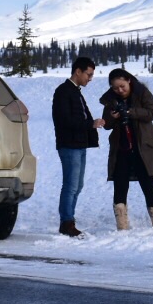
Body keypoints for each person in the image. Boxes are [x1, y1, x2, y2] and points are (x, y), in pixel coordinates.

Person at [99, 68, 153, 230]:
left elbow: (152, 113)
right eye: (115, 88)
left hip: (143, 147)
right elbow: (107, 124)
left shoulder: (142, 93)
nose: (120, 90)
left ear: (129, 80)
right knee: (120, 184)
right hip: (121, 148)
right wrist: (113, 117)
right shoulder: (110, 99)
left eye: (122, 86)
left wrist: (130, 112)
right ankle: (122, 226)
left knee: (148, 184)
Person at [52, 56, 104, 237]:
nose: (90, 78)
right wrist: (90, 124)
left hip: (79, 145)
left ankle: (69, 220)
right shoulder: (63, 92)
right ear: (78, 71)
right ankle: (66, 222)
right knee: (71, 185)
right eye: (88, 74)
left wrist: (91, 125)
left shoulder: (75, 92)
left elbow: (79, 118)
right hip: (69, 145)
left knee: (77, 185)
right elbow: (65, 120)